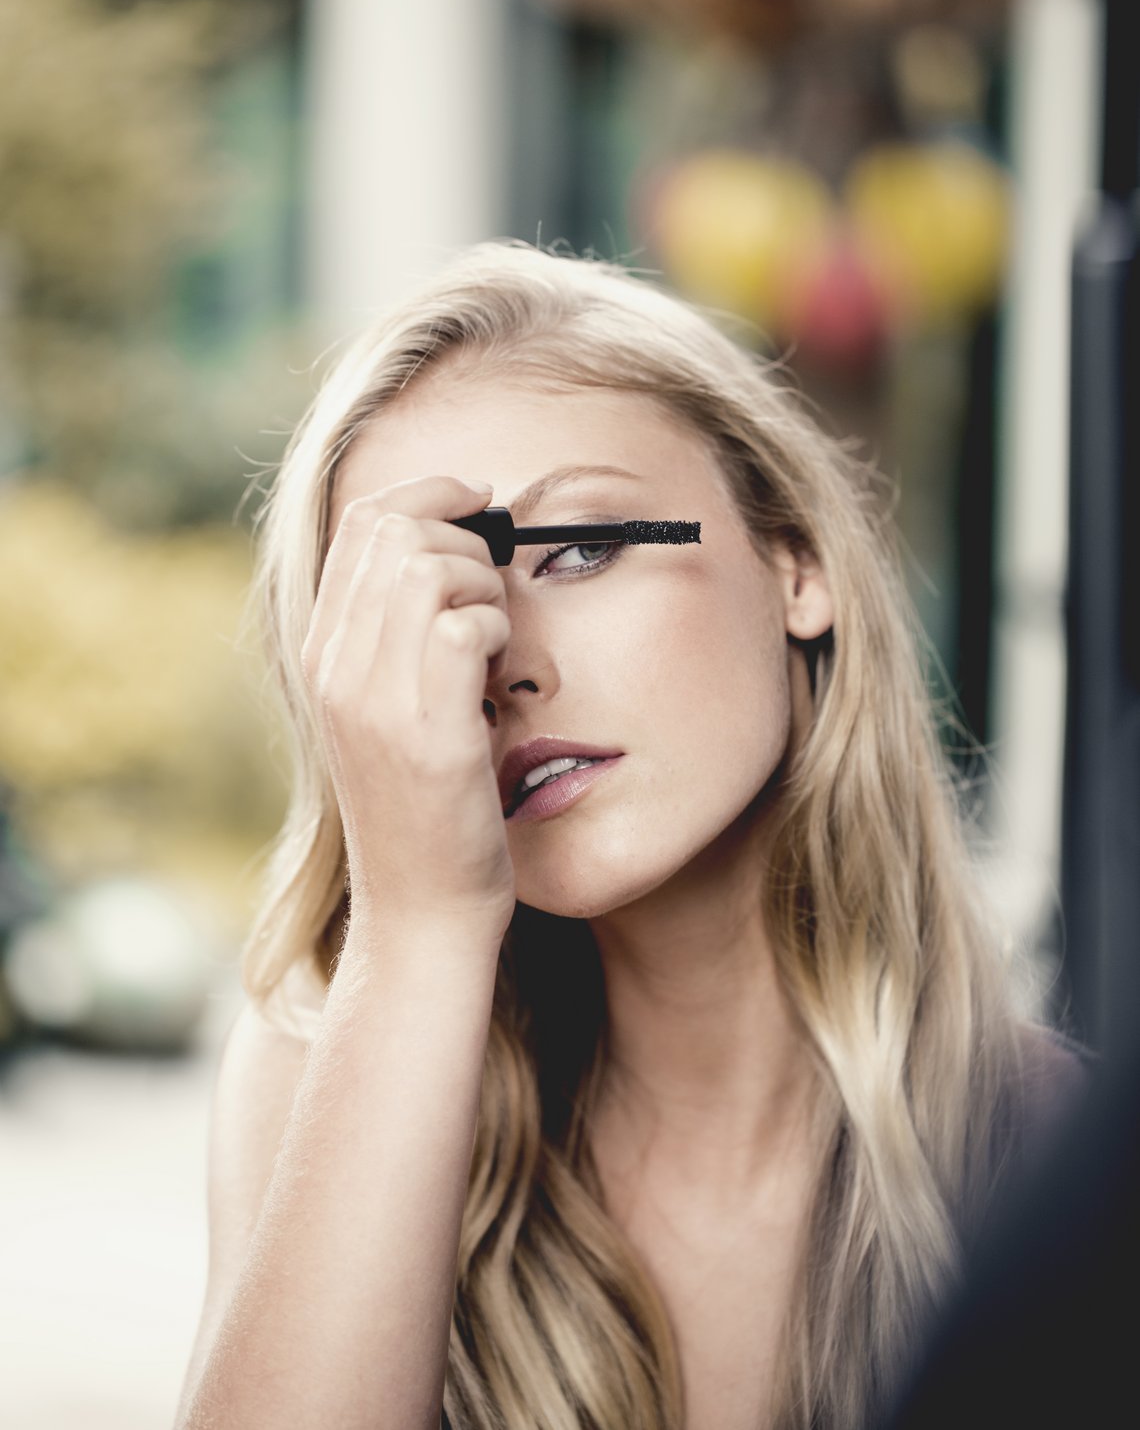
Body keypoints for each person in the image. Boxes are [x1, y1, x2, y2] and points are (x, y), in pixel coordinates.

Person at [174, 240, 1085, 1430]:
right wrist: (422, 923)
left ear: (795, 561)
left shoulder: (1054, 1147)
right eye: (431, 607)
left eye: (586, 548)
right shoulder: (317, 1084)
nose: (505, 669)